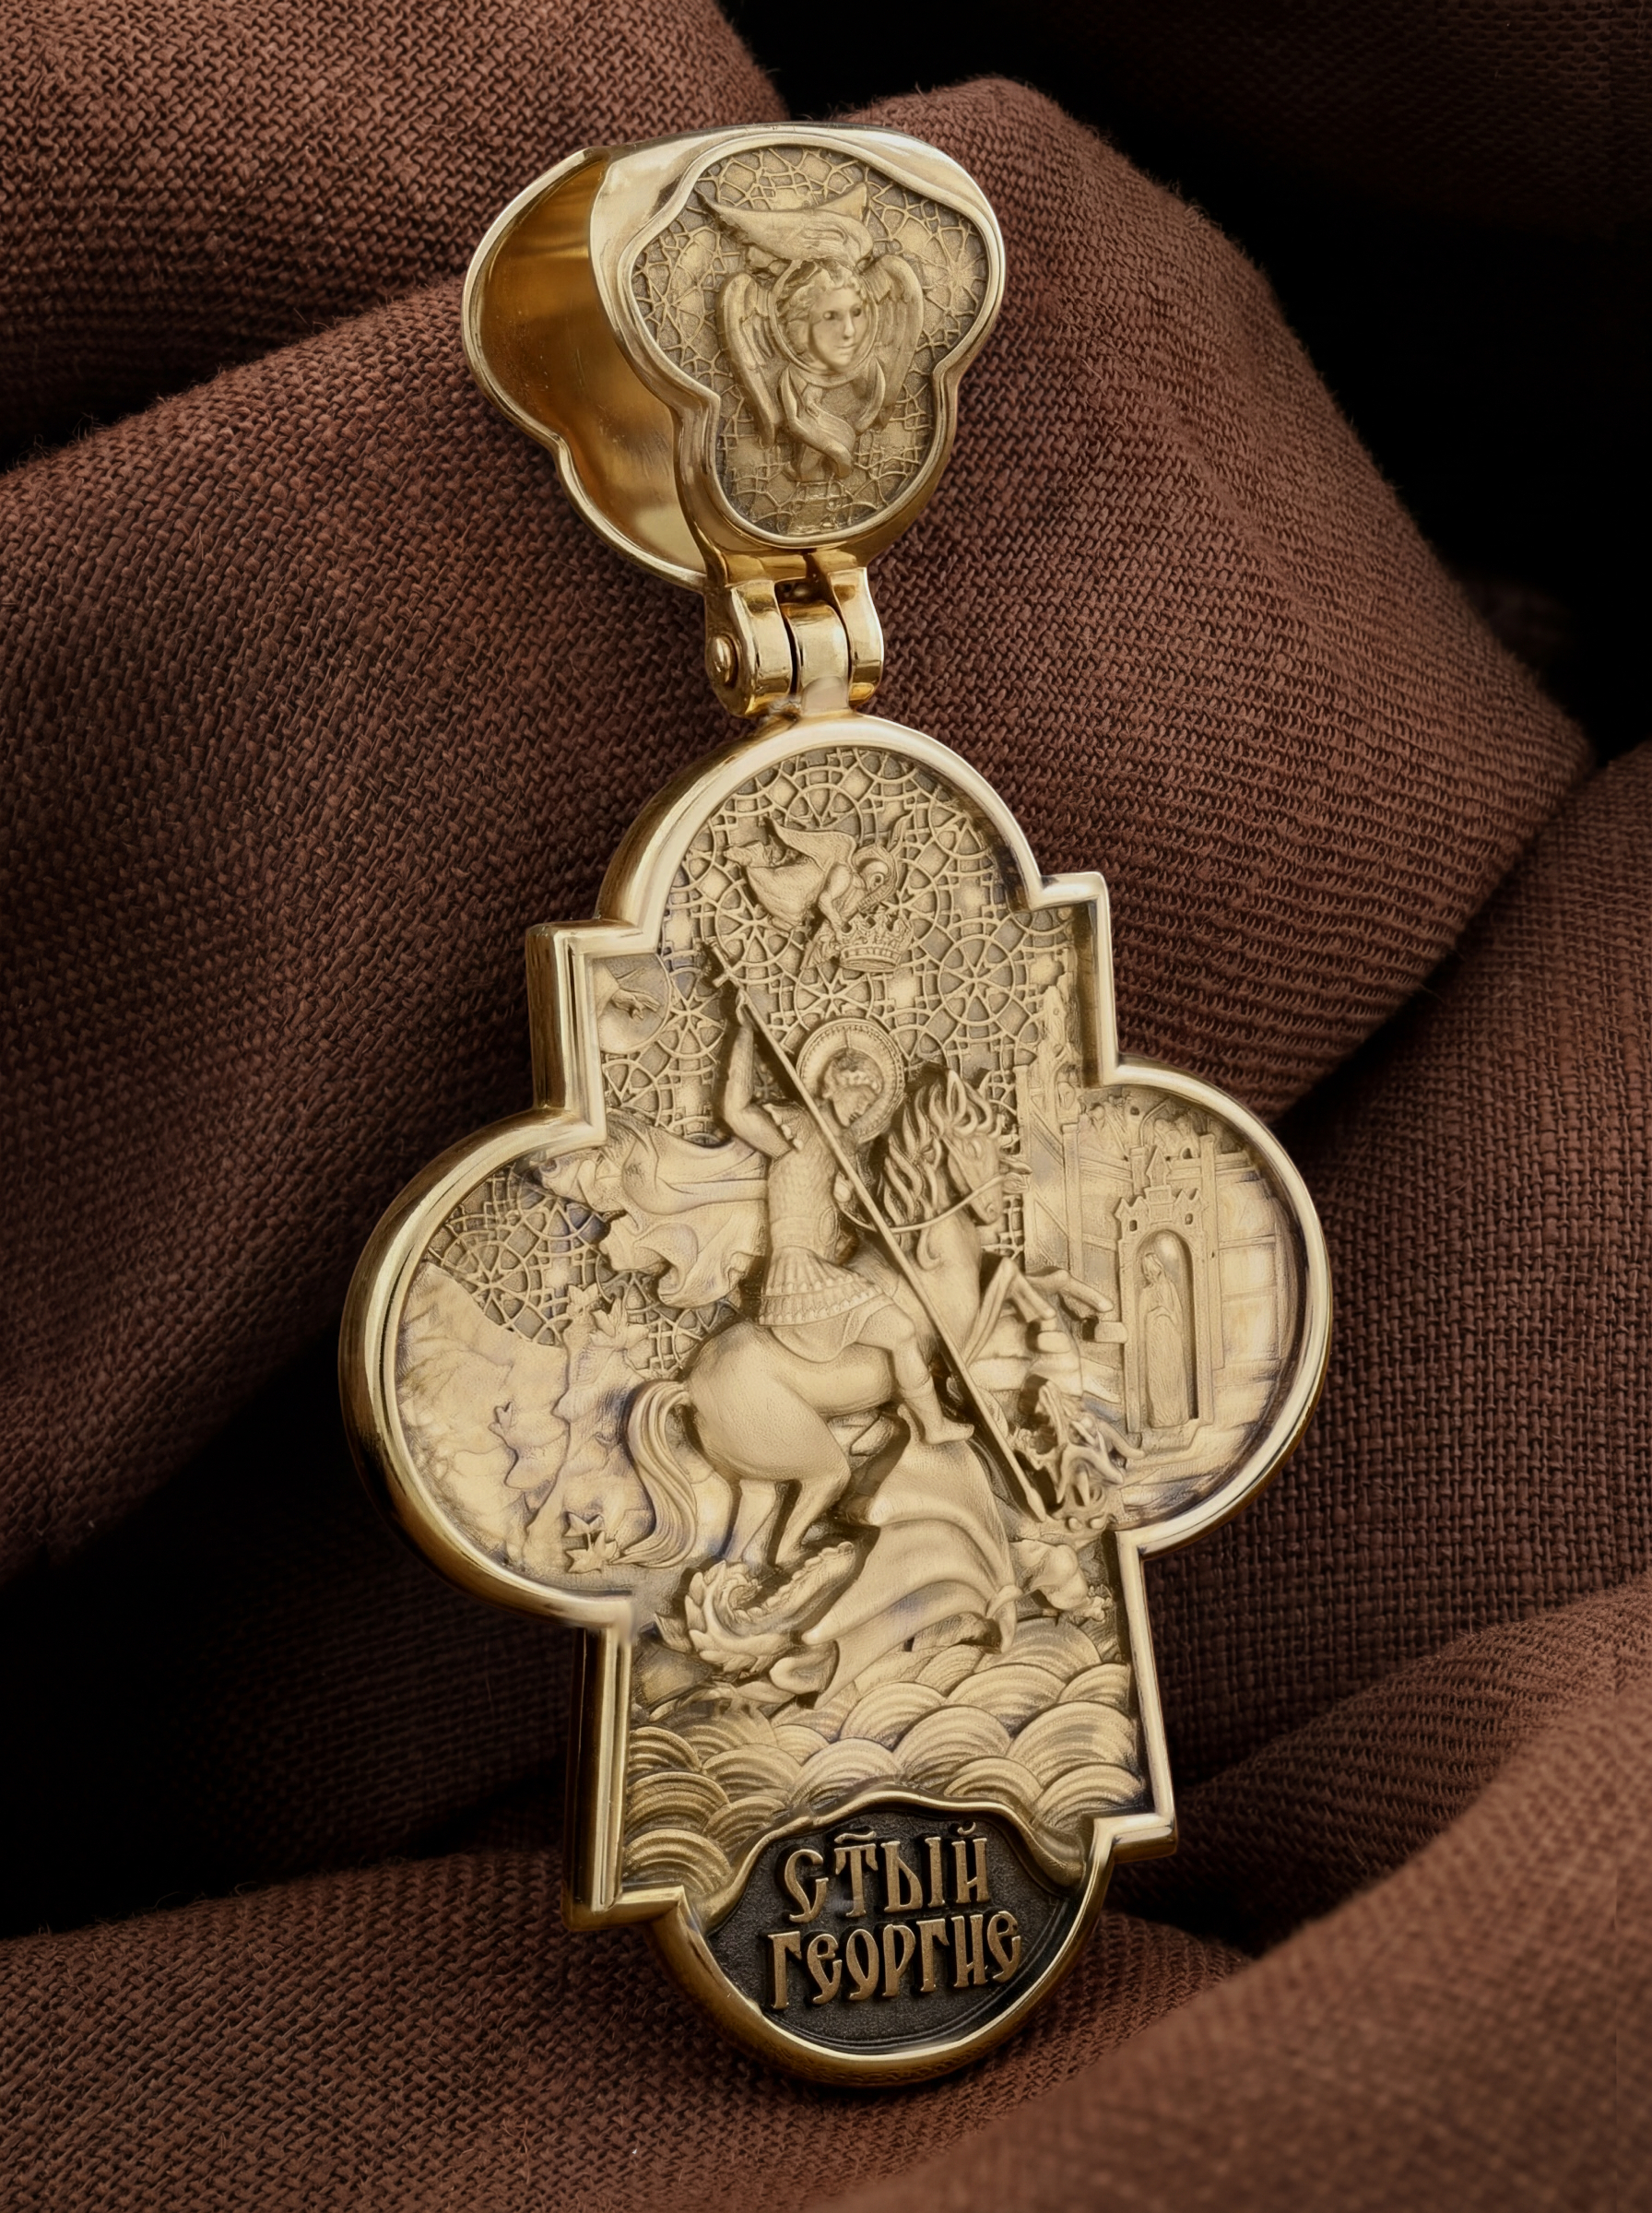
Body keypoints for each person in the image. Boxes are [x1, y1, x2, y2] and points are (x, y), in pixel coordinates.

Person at [719, 1007, 970, 1445]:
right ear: (835, 1083)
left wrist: (851, 1192)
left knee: (901, 1330)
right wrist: (743, 1032)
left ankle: (924, 1421)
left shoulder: (846, 1149)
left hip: (822, 1264)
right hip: (800, 1270)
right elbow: (735, 1111)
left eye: (869, 1104)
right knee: (902, 1331)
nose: (861, 1109)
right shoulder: (796, 1129)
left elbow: (855, 1217)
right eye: (859, 1097)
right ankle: (932, 1425)